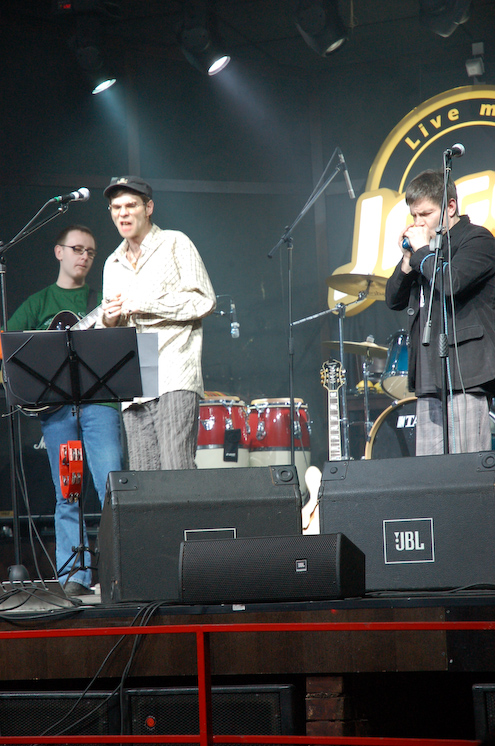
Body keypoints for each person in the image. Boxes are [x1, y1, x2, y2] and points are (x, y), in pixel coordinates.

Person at [8, 225, 123, 596]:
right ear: (59, 252)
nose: (84, 257)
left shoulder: (101, 299)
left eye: (90, 252)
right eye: (77, 249)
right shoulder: (39, 302)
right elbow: (8, 345)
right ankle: (74, 576)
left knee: (112, 488)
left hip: (99, 405)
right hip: (57, 412)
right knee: (68, 493)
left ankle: (120, 572)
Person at [99, 175, 216, 470]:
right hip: (134, 376)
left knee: (176, 467)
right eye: (116, 207)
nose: (123, 213)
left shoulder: (175, 243)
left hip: (174, 369)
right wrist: (109, 320)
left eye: (130, 205)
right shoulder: (112, 263)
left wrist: (146, 304)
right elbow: (111, 329)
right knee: (143, 477)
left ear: (148, 208)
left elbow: (204, 300)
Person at [385, 169, 495, 455]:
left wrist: (422, 251)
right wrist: (407, 260)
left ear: (450, 207)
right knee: (431, 472)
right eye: (414, 216)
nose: (418, 222)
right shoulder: (425, 252)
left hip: (465, 373)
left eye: (426, 214)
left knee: (465, 469)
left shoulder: (477, 239)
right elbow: (393, 300)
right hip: (428, 374)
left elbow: (451, 282)